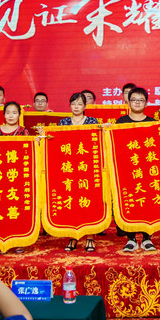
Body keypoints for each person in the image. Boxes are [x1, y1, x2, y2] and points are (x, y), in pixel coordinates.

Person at [57, 92, 100, 252]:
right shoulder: (63, 122)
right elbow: (57, 143)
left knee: (88, 203)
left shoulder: (92, 122)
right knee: (72, 203)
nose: (76, 107)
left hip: (87, 168)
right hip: (69, 168)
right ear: (69, 105)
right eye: (73, 103)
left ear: (85, 106)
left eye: (79, 104)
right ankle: (73, 237)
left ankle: (90, 237)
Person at [117, 87, 158, 252]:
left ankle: (147, 238)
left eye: (141, 100)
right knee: (129, 202)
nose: (137, 103)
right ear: (128, 102)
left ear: (146, 103)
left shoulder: (153, 122)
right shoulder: (121, 122)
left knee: (147, 203)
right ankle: (131, 238)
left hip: (147, 169)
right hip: (127, 169)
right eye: (134, 100)